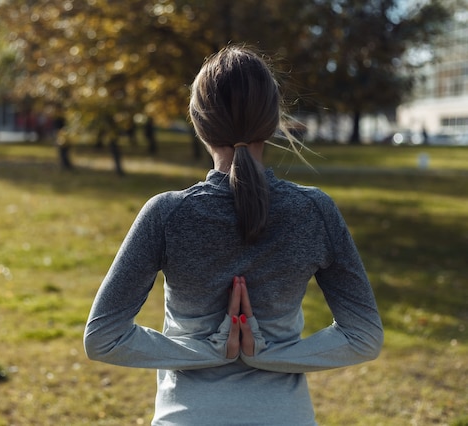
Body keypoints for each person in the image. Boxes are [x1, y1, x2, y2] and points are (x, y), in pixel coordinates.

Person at [84, 44, 383, 425]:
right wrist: (263, 355)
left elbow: (103, 339)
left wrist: (210, 352)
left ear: (197, 121)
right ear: (273, 118)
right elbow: (364, 337)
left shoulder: (167, 214)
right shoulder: (313, 211)